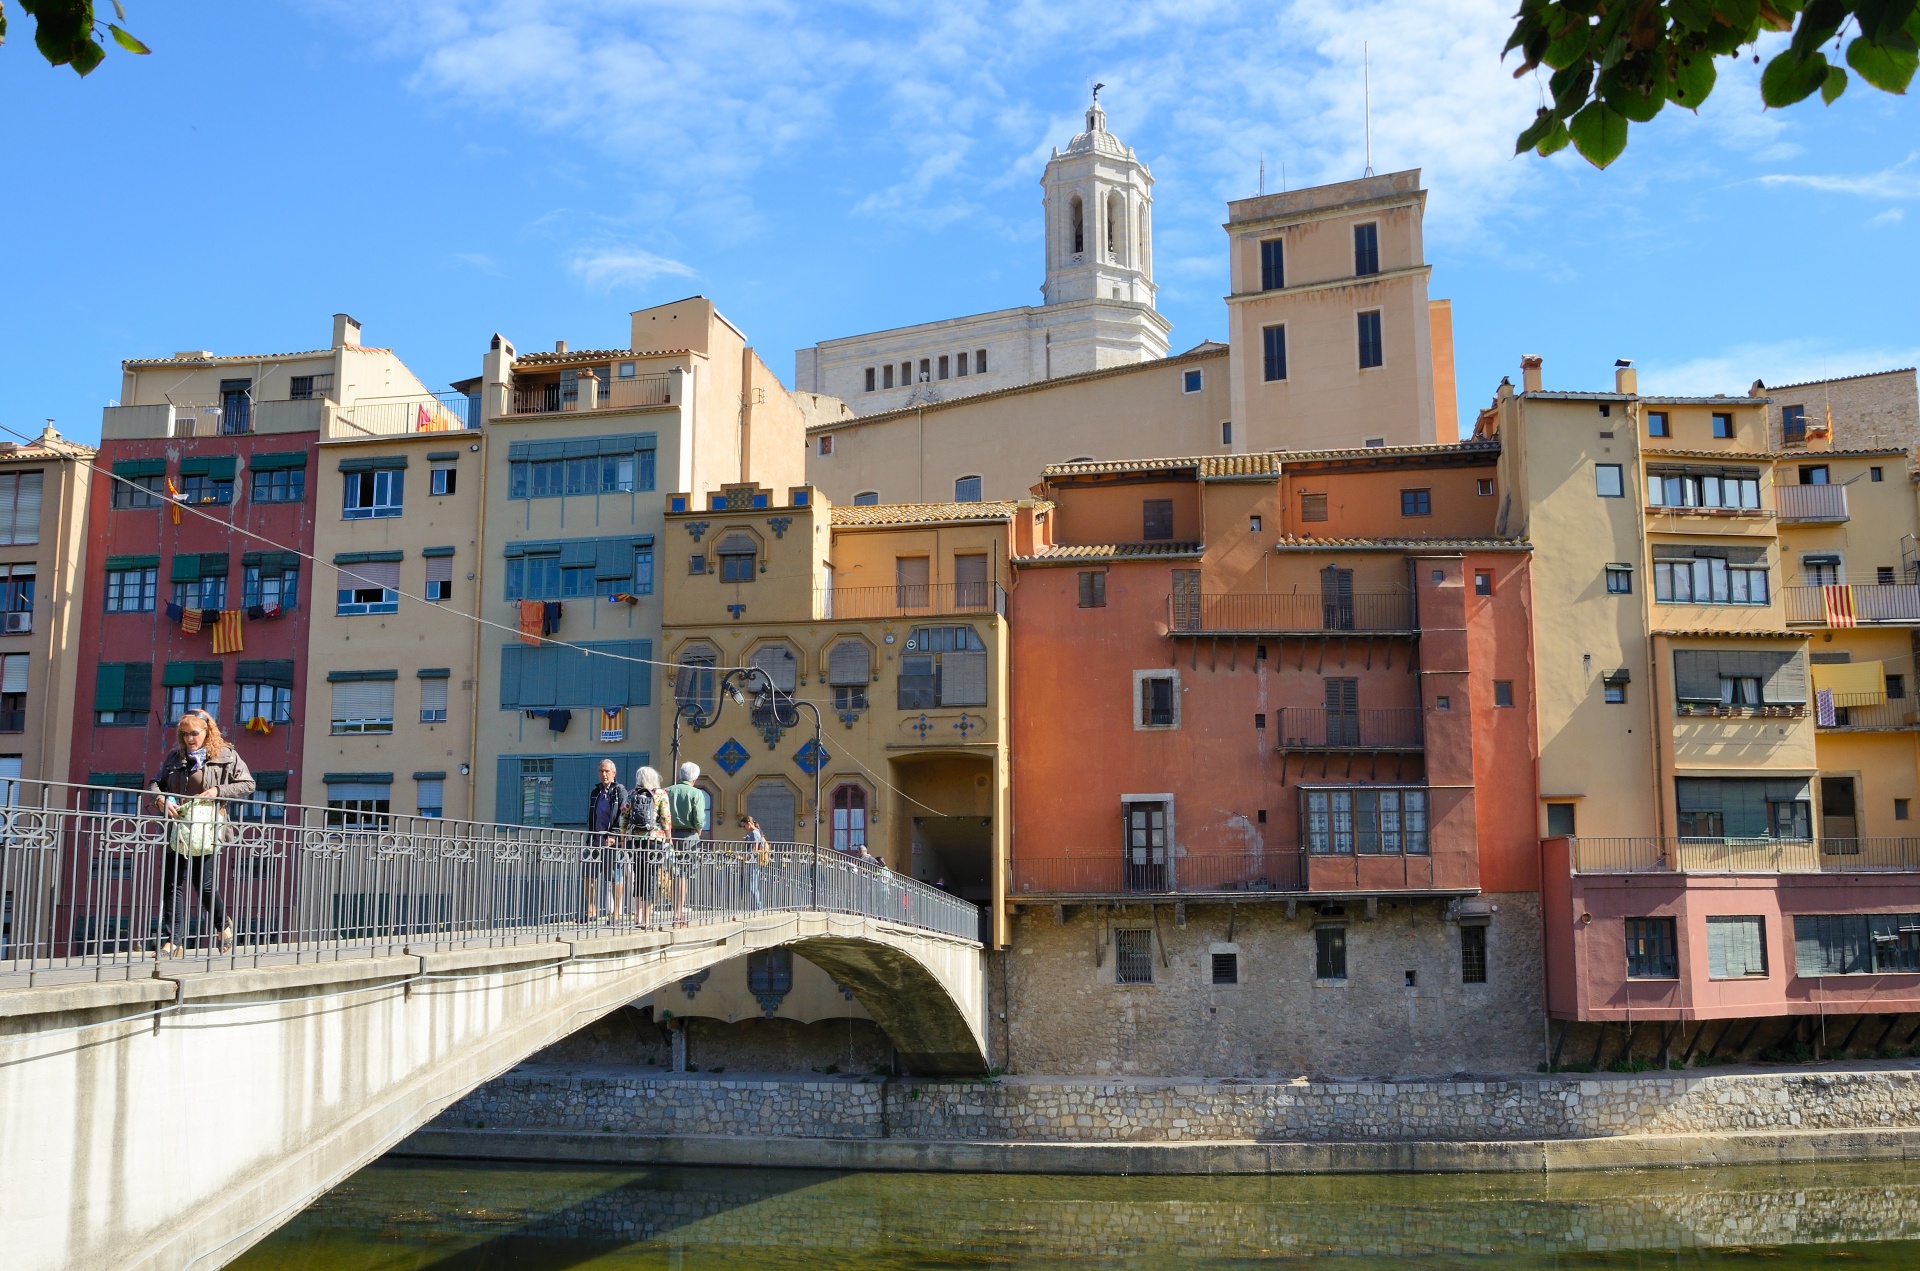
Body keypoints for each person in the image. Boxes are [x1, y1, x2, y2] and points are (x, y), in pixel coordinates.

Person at [148, 708, 255, 957]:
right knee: (172, 884)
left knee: (203, 885)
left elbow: (248, 783)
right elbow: (155, 783)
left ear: (208, 731)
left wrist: (218, 791)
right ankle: (173, 942)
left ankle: (223, 925)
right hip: (178, 829)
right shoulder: (176, 756)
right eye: (184, 734)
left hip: (208, 829)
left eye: (194, 733)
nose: (189, 739)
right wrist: (161, 799)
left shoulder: (227, 755)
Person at [622, 765, 672, 927]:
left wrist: (623, 839)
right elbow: (665, 819)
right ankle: (647, 918)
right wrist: (668, 838)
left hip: (635, 840)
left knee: (639, 875)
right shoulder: (660, 794)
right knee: (651, 876)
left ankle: (638, 916)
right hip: (654, 839)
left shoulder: (631, 794)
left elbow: (624, 817)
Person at [663, 762, 708, 926]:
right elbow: (699, 819)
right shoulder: (696, 793)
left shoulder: (667, 791)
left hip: (670, 837)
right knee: (683, 876)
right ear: (695, 778)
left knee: (674, 875)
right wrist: (698, 830)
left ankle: (676, 910)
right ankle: (679, 912)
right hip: (689, 836)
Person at [584, 759, 627, 923]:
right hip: (595, 841)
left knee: (616, 877)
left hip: (612, 842)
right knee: (588, 875)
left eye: (607, 771)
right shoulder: (595, 792)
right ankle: (591, 910)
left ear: (614, 773)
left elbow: (623, 816)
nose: (604, 774)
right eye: (601, 771)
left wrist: (615, 836)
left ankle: (616, 913)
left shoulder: (619, 791)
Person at [741, 815, 770, 910]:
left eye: (744, 826)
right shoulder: (757, 832)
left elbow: (755, 848)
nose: (744, 828)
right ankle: (757, 906)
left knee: (752, 887)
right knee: (752, 886)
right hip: (755, 862)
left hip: (753, 863)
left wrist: (746, 857)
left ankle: (759, 907)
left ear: (749, 824)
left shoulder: (755, 832)